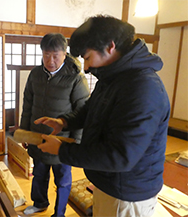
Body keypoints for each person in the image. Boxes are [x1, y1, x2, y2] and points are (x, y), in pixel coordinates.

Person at [35, 15, 169, 217]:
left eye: (87, 57)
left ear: (110, 47)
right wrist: (64, 121)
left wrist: (63, 149)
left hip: (127, 193)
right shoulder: (114, 77)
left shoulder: (142, 87)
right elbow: (90, 109)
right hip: (109, 182)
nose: (87, 67)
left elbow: (120, 156)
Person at [19, 33, 90, 217]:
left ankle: (59, 214)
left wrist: (77, 141)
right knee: (39, 175)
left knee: (63, 181)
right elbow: (27, 104)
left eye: (55, 55)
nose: (50, 60)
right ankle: (40, 204)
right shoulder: (35, 74)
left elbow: (83, 111)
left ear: (64, 54)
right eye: (46, 55)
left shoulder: (75, 78)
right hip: (38, 137)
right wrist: (24, 132)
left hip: (62, 141)